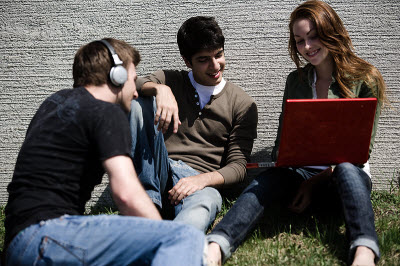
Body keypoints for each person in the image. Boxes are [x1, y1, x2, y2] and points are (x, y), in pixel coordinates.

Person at [206, 1, 388, 265]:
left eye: (313, 37)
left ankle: (364, 250)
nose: (307, 47)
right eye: (300, 40)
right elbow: (284, 141)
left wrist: (312, 184)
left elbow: (360, 155)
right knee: (268, 179)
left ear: (331, 32)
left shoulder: (366, 78)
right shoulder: (296, 81)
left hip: (345, 179)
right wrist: (284, 158)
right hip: (302, 173)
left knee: (347, 168)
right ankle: (216, 245)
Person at [2, 38, 206, 266]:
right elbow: (126, 193)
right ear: (116, 75)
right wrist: (159, 235)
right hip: (51, 236)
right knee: (183, 236)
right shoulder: (106, 111)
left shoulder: (53, 103)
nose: (136, 92)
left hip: (17, 247)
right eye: (132, 78)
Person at [129, 16, 258, 232]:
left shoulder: (242, 103)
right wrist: (161, 90)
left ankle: (176, 243)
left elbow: (238, 167)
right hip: (160, 169)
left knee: (202, 206)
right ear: (187, 61)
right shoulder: (170, 80)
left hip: (200, 181)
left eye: (219, 55)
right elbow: (129, 84)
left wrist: (201, 181)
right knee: (137, 105)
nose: (215, 65)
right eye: (204, 59)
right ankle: (148, 209)